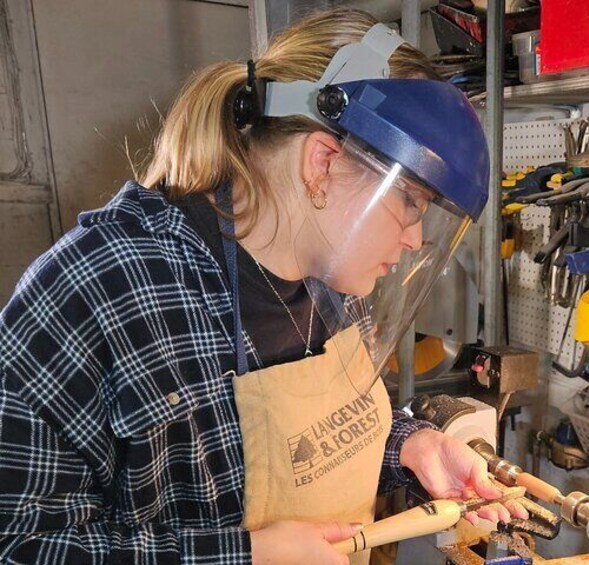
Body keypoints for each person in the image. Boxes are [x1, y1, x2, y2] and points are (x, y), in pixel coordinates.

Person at [0, 8, 527, 565]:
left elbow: (315, 439)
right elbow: (20, 546)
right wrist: (245, 556)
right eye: (410, 203)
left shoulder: (335, 279)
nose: (418, 237)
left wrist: (412, 447)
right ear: (322, 164)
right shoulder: (100, 288)